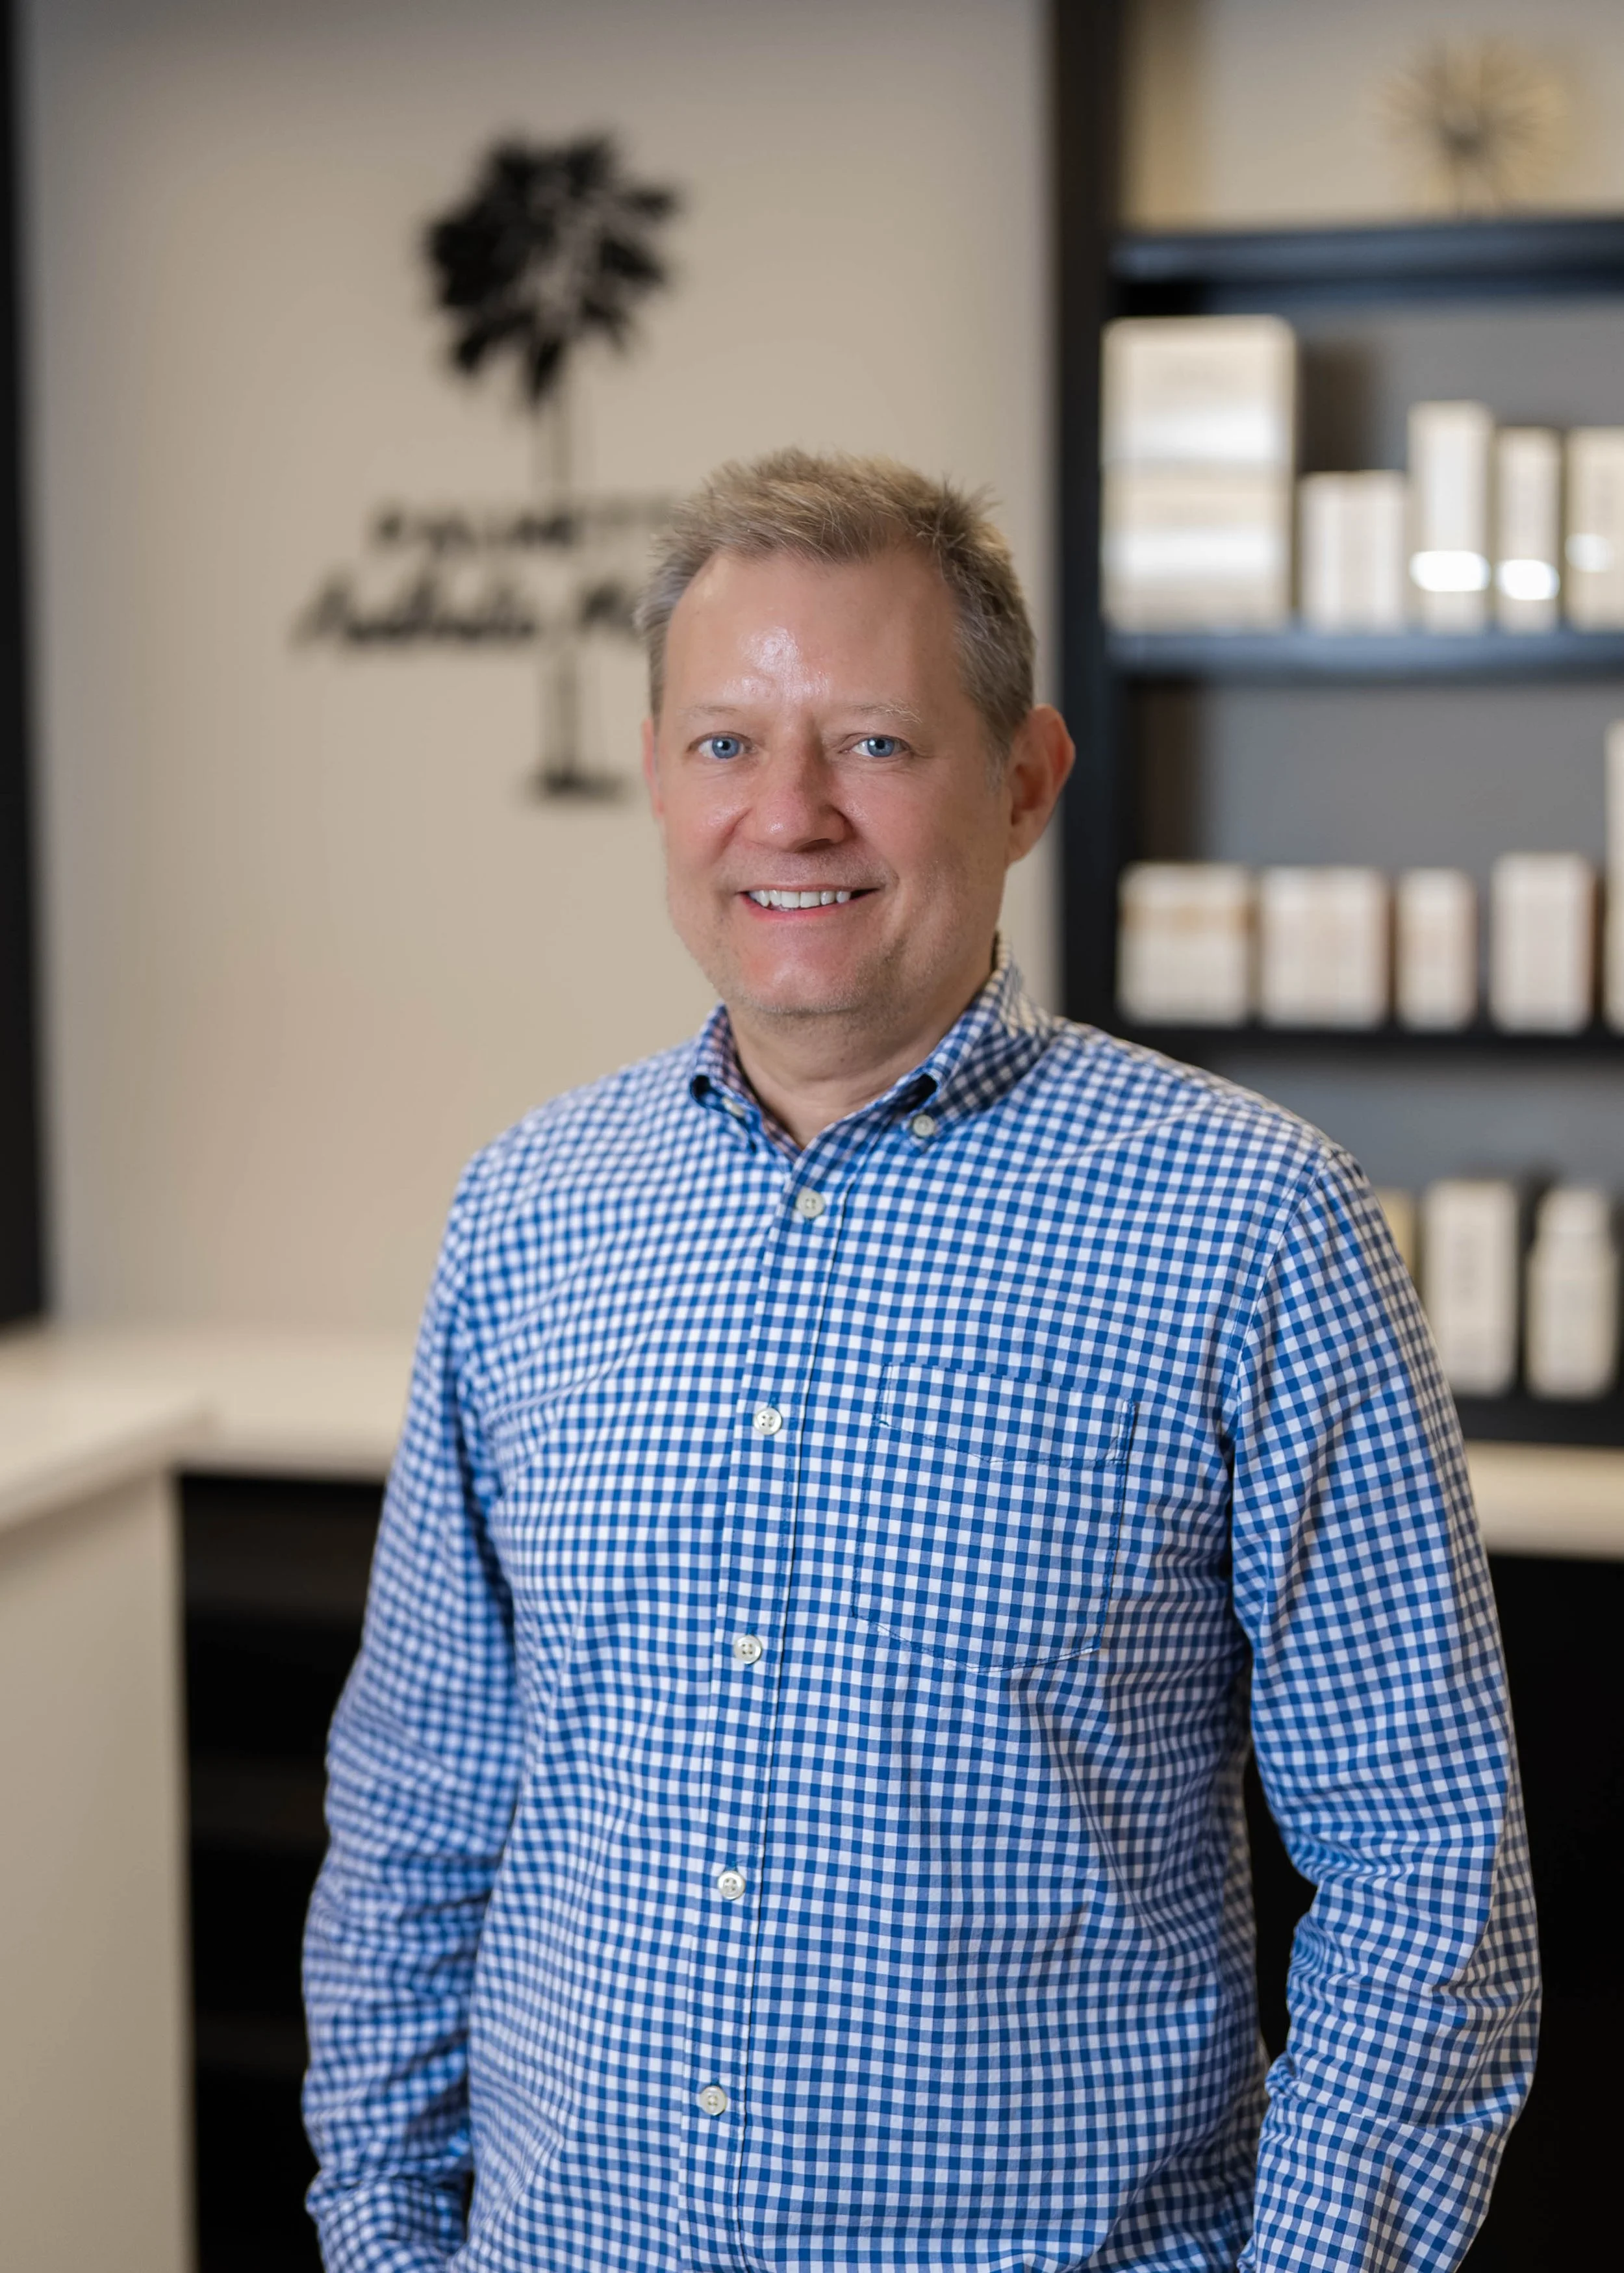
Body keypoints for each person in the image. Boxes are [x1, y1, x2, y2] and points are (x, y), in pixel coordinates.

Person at [303, 449, 1538, 2273]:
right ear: (655, 776)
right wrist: (385, 2235)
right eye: (726, 744)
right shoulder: (527, 1217)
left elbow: (1425, 1873)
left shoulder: (1254, 1227)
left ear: (1025, 780)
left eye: (871, 744)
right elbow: (418, 1817)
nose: (788, 815)